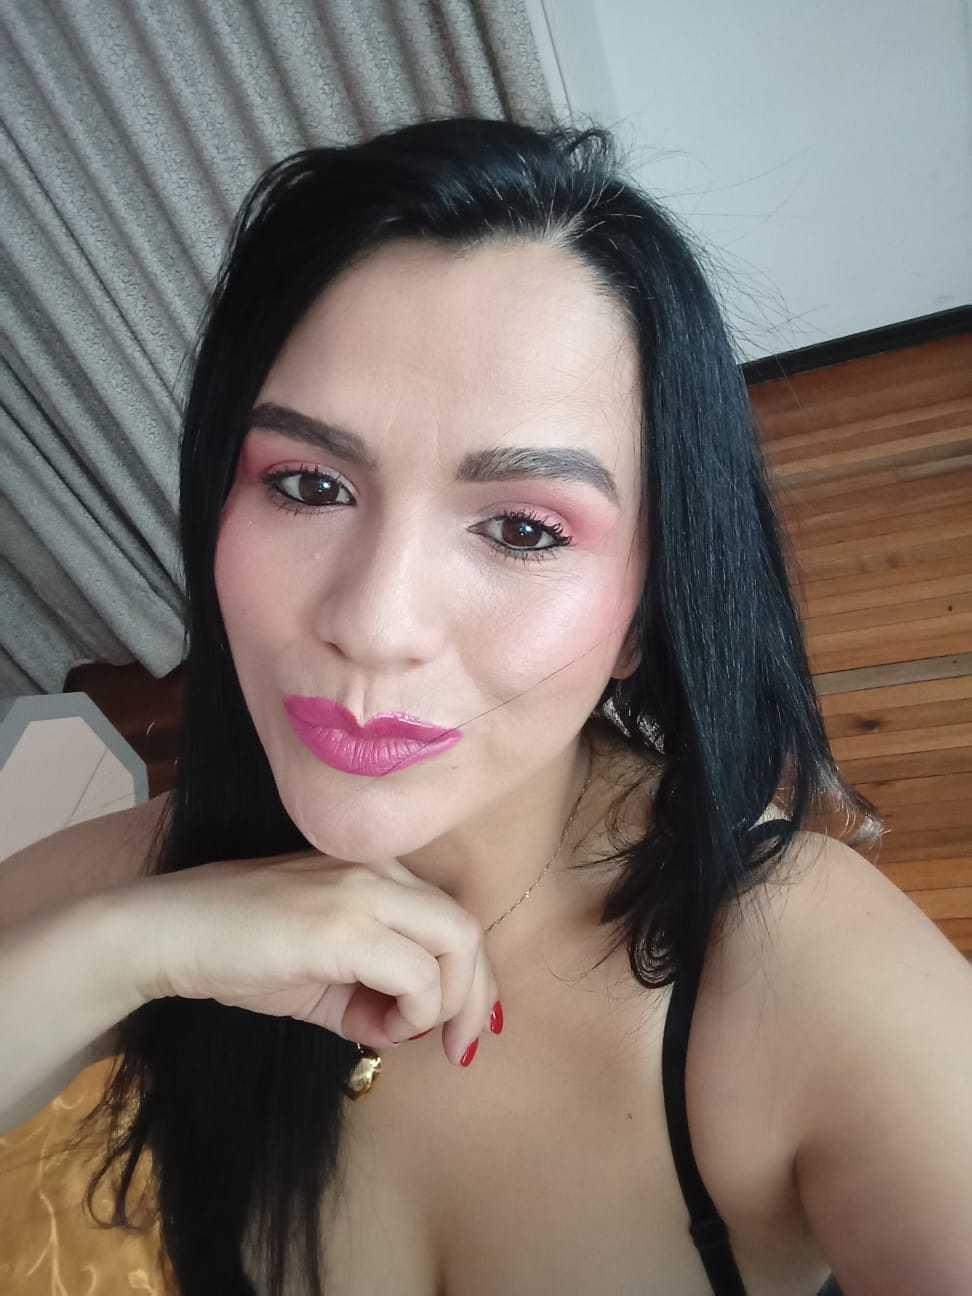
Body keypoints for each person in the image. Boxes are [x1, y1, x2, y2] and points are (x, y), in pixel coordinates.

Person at [3, 114, 971, 1296]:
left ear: (646, 606)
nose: (375, 622)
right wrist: (129, 950)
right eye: (307, 484)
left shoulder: (805, 977)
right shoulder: (155, 869)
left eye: (522, 528)